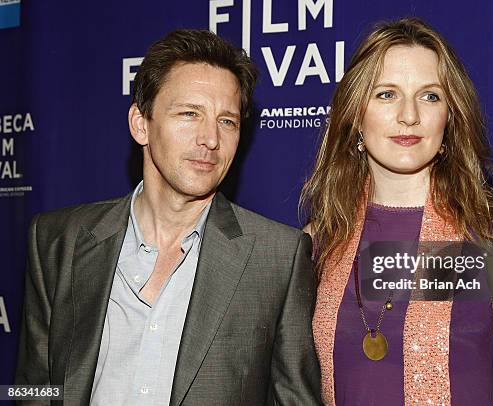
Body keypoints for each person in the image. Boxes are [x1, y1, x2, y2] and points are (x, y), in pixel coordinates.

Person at [16, 29, 321, 405]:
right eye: (189, 114)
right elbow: (32, 386)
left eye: (227, 121)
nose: (210, 139)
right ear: (141, 123)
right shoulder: (57, 239)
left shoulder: (278, 257)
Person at [301, 17, 493, 405]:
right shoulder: (317, 242)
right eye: (386, 94)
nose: (409, 115)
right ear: (356, 116)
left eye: (430, 96)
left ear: (450, 118)